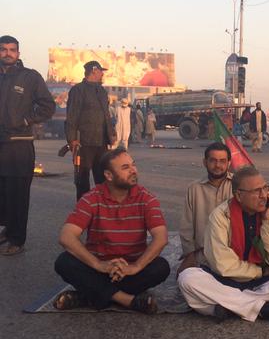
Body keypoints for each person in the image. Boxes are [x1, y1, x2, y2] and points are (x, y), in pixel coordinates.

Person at [177, 166, 269, 323]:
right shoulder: (220, 216)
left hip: (264, 283)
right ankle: (262, 307)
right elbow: (223, 265)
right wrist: (259, 271)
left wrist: (268, 220)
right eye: (256, 191)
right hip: (226, 281)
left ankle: (232, 306)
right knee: (188, 279)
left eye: (265, 188)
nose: (263, 196)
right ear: (239, 195)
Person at [54, 148, 170, 313]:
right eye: (125, 168)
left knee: (161, 267)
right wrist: (99, 265)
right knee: (64, 262)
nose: (133, 170)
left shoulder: (146, 198)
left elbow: (161, 238)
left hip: (130, 270)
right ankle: (127, 300)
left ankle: (86, 297)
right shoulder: (92, 198)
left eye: (133, 165)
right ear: (108, 175)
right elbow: (66, 236)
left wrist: (135, 267)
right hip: (97, 269)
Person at [0, 35, 55, 256]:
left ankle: (17, 239)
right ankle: (7, 229)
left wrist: (24, 121)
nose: (7, 53)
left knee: (17, 195)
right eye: (3, 49)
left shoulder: (30, 77)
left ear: (18, 53)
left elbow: (47, 106)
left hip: (18, 147)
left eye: (12, 50)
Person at [178, 142, 233, 275]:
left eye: (222, 161)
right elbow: (187, 226)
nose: (218, 165)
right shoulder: (194, 189)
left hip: (232, 254)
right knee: (185, 280)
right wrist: (189, 255)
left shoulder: (238, 187)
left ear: (229, 163)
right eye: (213, 161)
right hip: (202, 255)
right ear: (205, 162)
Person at [66, 60, 116, 201]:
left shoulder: (101, 91)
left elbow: (106, 115)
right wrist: (72, 140)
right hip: (83, 143)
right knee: (82, 179)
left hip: (101, 142)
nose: (102, 74)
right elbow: (71, 116)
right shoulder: (78, 90)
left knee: (103, 178)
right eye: (101, 71)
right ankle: (84, 209)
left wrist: (111, 133)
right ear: (94, 71)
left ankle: (103, 207)